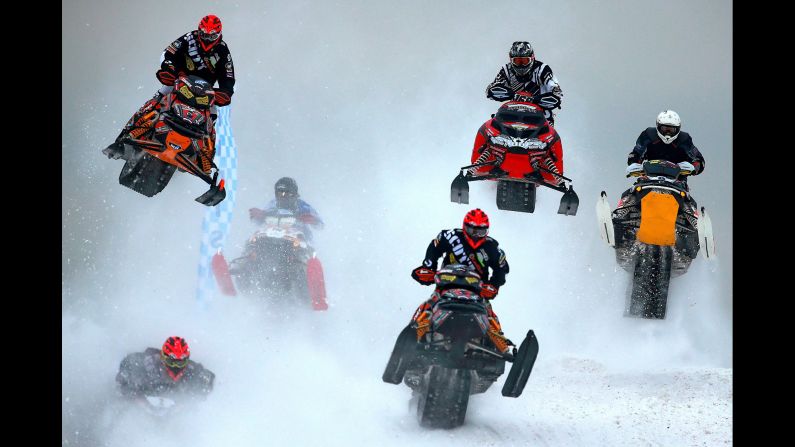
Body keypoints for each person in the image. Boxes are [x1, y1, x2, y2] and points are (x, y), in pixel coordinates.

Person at [104, 15, 235, 165]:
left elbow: (229, 76)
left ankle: (204, 162)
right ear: (199, 31)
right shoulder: (189, 38)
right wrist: (170, 69)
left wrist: (225, 92)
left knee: (212, 118)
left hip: (204, 93)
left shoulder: (223, 51)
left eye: (211, 35)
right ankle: (123, 138)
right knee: (156, 101)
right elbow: (167, 53)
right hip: (179, 81)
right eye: (204, 34)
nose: (206, 38)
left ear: (218, 35)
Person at [409, 209, 514, 355]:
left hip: (477, 292)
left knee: (490, 316)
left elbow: (501, 269)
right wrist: (428, 268)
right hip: (446, 286)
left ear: (486, 231)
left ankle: (503, 349)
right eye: (472, 230)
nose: (476, 235)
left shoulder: (492, 248)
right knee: (427, 307)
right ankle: (412, 335)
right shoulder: (451, 236)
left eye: (481, 231)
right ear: (465, 227)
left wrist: (494, 285)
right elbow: (434, 248)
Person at [485, 41, 563, 125]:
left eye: (525, 61)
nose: (521, 65)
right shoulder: (506, 70)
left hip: (541, 117)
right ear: (511, 59)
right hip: (512, 114)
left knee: (549, 134)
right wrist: (511, 94)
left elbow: (558, 93)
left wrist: (535, 99)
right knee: (489, 127)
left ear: (532, 58)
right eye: (518, 61)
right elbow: (490, 89)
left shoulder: (542, 69)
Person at [116, 336, 215, 399]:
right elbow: (125, 370)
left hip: (176, 418)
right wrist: (134, 395)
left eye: (180, 362)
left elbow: (209, 382)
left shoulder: (193, 372)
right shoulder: (144, 364)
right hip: (140, 412)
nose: (175, 367)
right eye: (171, 361)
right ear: (163, 358)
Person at [625, 110, 705, 180]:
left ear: (678, 129)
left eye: (671, 129)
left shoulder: (684, 140)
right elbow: (636, 153)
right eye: (664, 128)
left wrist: (693, 167)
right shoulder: (648, 135)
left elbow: (699, 161)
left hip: (677, 182)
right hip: (648, 178)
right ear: (658, 126)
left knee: (688, 198)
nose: (668, 132)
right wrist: (634, 164)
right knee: (630, 194)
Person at [248, 177, 324, 241]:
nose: (282, 197)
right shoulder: (272, 204)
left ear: (294, 194)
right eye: (279, 193)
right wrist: (258, 217)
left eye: (286, 194)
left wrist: (314, 221)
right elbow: (261, 221)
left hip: (297, 239)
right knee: (253, 241)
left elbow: (320, 225)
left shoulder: (303, 206)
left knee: (305, 251)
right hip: (271, 237)